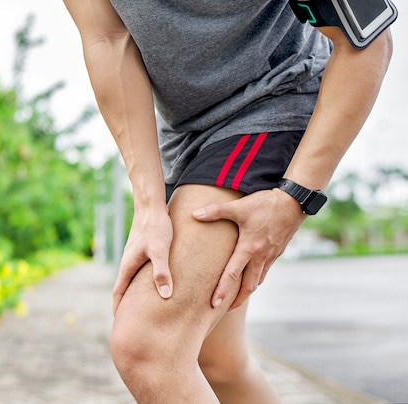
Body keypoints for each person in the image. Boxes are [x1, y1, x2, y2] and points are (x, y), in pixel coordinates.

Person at [63, 0, 393, 402]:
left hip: (275, 95)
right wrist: (148, 206)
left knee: (148, 344)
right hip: (185, 134)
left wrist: (294, 197)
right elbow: (107, 38)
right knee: (217, 360)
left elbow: (369, 41)